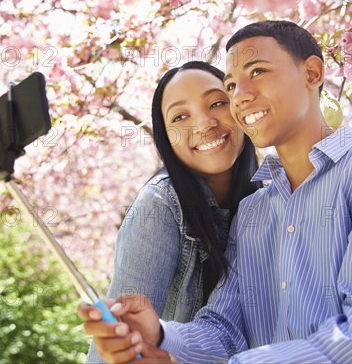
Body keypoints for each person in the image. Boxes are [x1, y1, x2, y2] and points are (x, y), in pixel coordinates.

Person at [79, 21, 352, 363]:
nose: (241, 95)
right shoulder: (253, 212)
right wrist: (164, 336)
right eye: (231, 85)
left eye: (258, 72)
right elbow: (223, 328)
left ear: (313, 73)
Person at [82, 61, 261, 363]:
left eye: (217, 103)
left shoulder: (270, 197)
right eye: (180, 116)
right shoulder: (160, 205)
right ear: (166, 139)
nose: (204, 124)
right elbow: (121, 340)